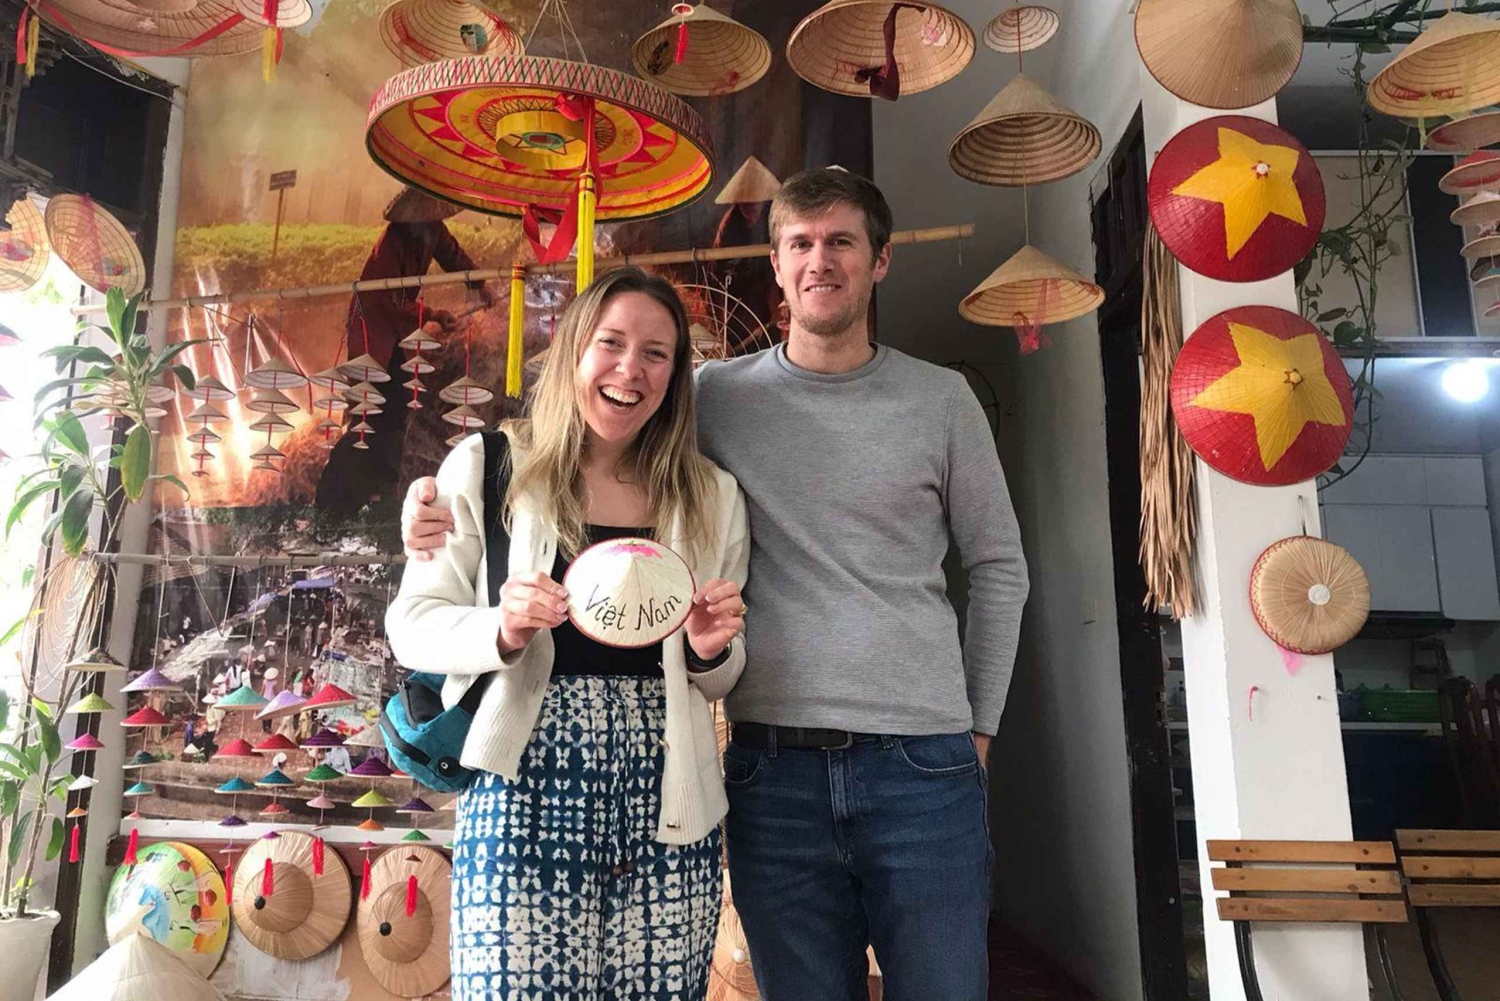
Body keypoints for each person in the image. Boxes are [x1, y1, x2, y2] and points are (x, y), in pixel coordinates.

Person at [402, 170, 1029, 1000]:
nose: (819, 261)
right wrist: (425, 509)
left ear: (880, 260)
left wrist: (979, 729)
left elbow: (1000, 567)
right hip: (772, 769)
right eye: (800, 243)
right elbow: (579, 441)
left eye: (841, 241)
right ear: (777, 263)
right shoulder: (716, 397)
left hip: (919, 762)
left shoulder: (940, 401)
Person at [386, 266, 750, 1001]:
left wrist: (711, 648)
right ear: (574, 350)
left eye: (655, 353)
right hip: (521, 785)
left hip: (668, 796)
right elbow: (413, 624)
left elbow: (721, 673)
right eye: (610, 343)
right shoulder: (488, 467)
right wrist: (502, 628)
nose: (630, 369)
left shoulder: (711, 494)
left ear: (676, 376)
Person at [315, 187, 495, 514]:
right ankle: (334, 498)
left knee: (396, 408)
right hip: (372, 329)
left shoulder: (434, 231)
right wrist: (432, 314)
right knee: (368, 411)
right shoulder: (392, 242)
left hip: (396, 333)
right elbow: (389, 299)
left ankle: (380, 490)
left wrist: (481, 285)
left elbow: (453, 256)